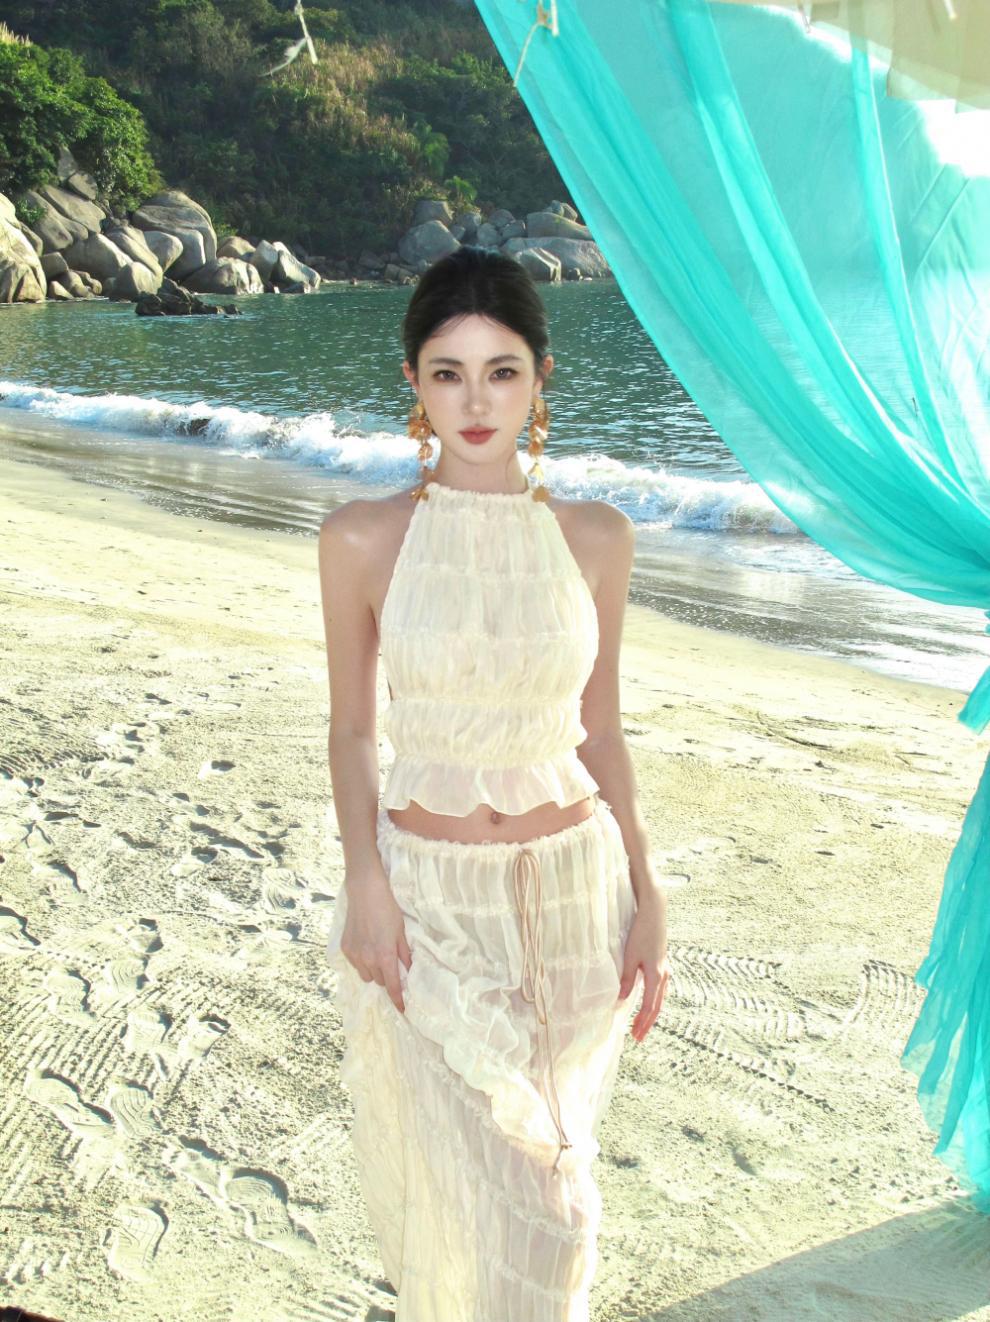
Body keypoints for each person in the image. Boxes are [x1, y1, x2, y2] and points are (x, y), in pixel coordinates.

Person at [320, 245, 670, 1321]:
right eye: (449, 372)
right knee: (507, 1198)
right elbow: (352, 730)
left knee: (551, 1189)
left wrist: (649, 891)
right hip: (429, 905)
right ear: (414, 383)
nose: (476, 402)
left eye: (502, 371)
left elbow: (601, 731)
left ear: (540, 377)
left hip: (573, 899)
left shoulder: (597, 537)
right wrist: (365, 880)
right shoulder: (362, 536)